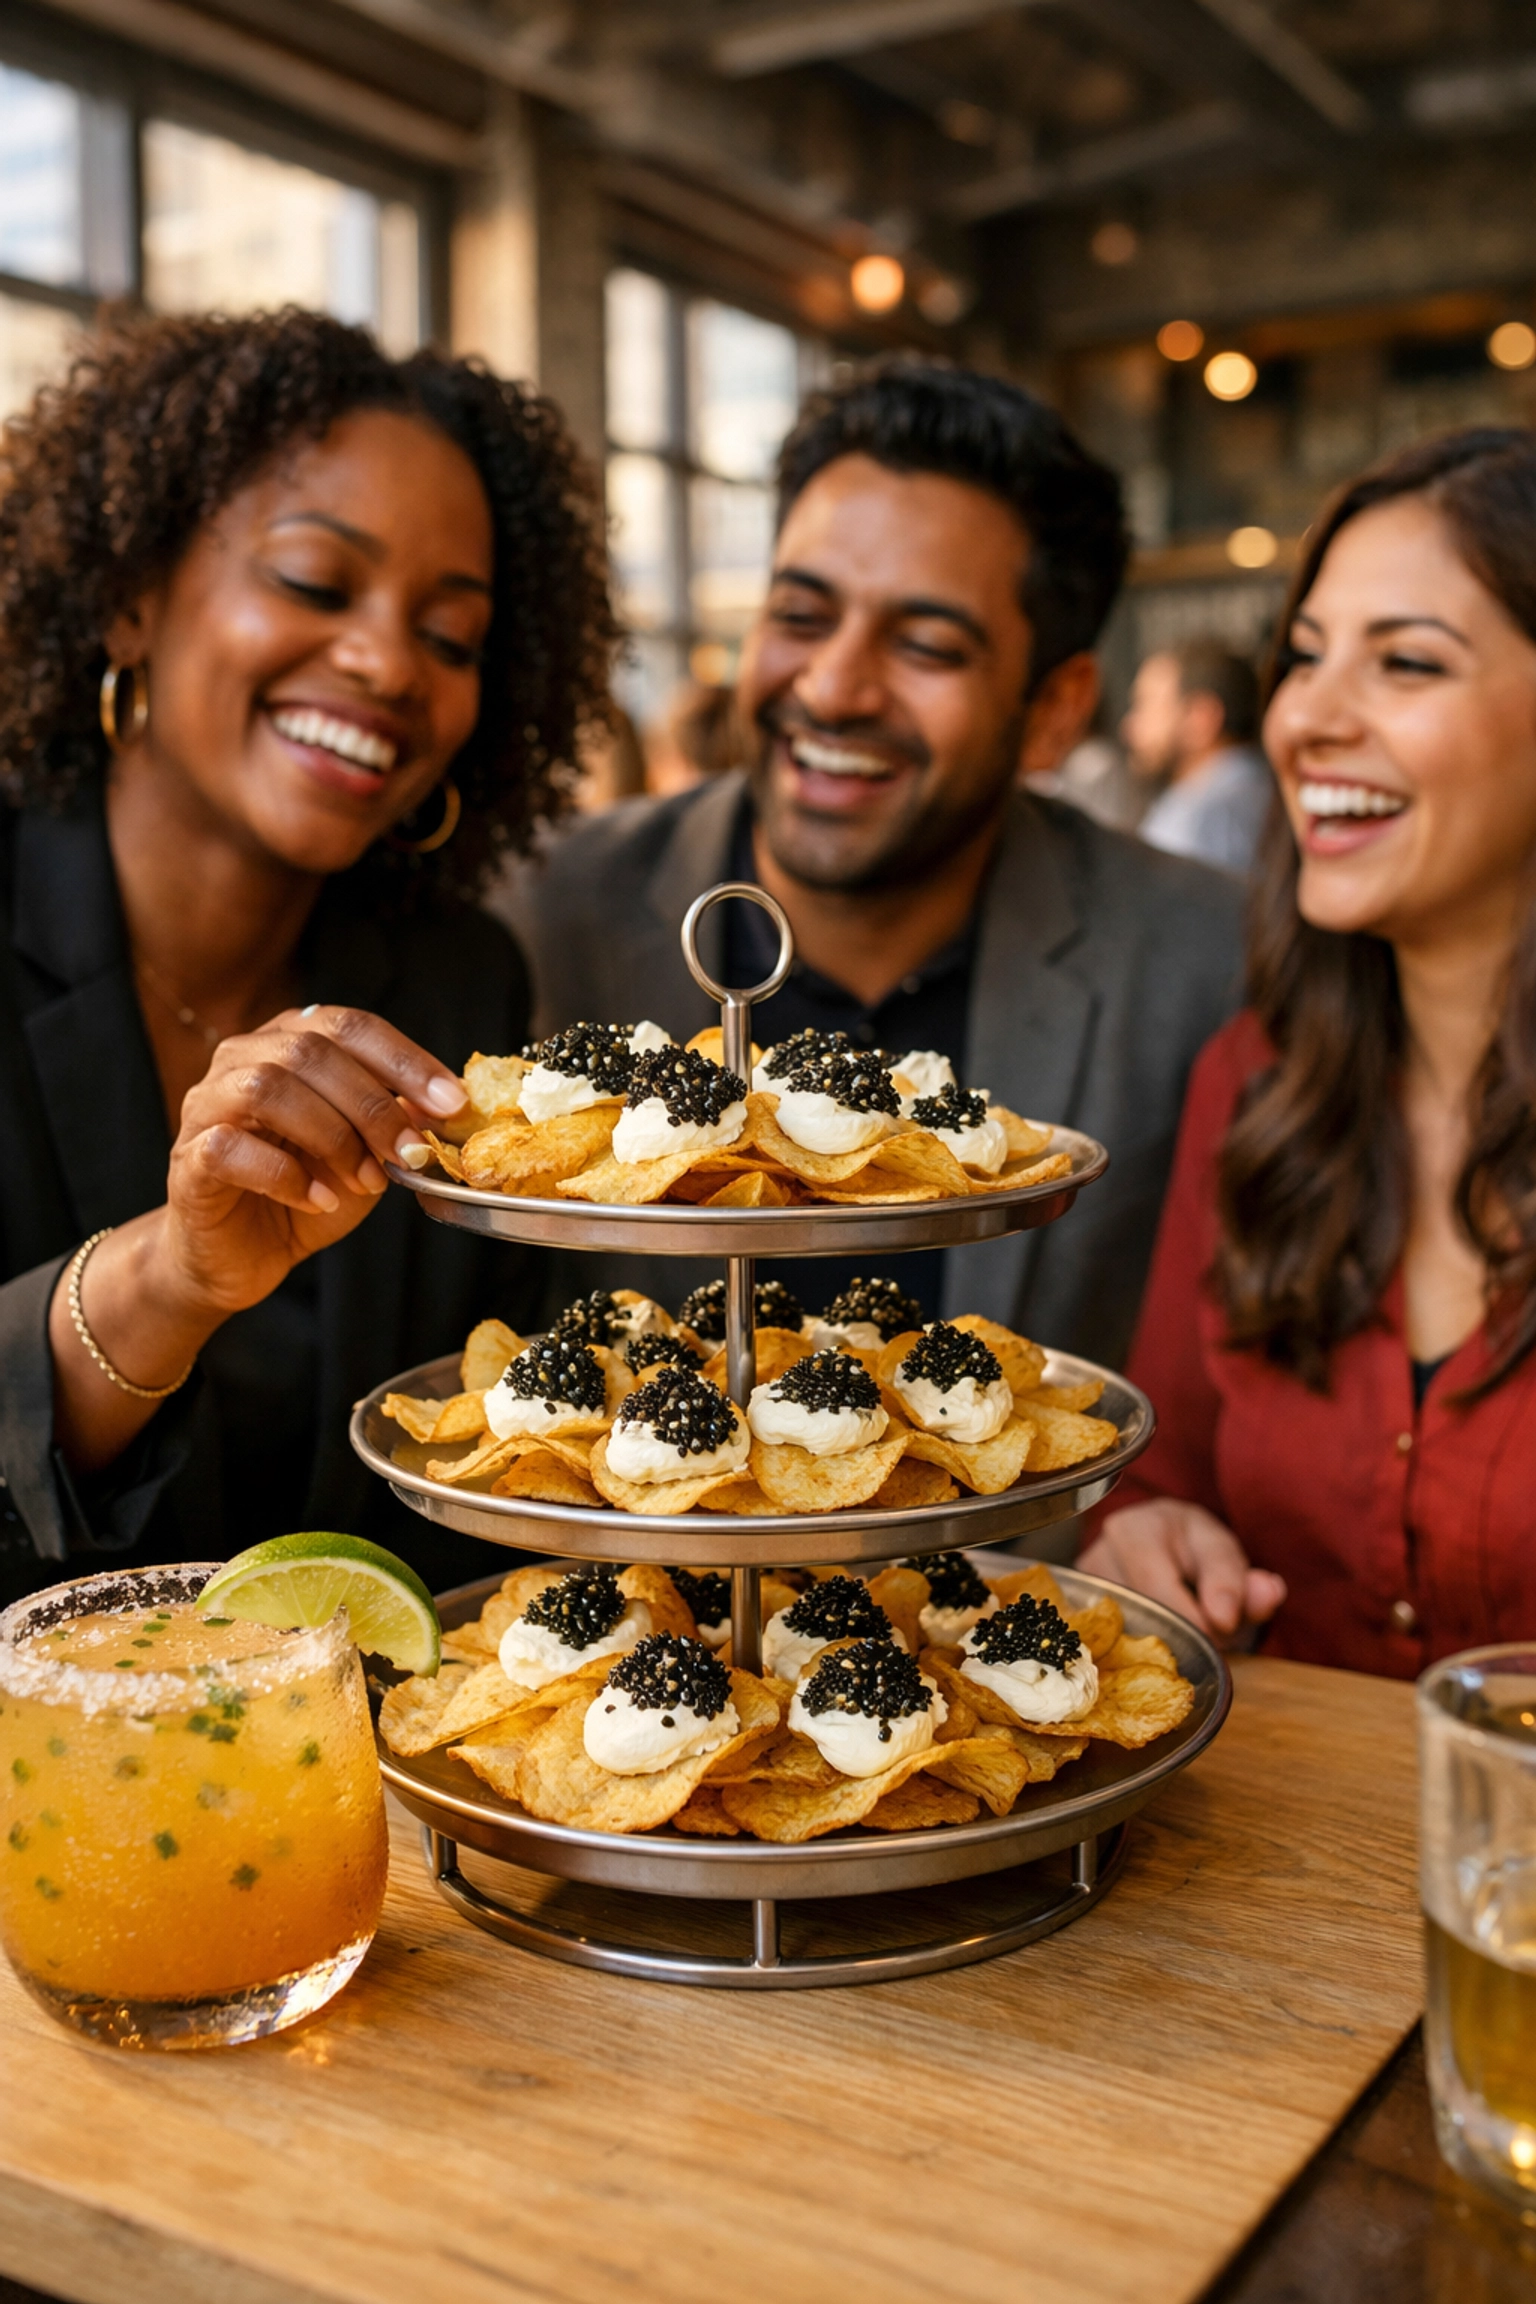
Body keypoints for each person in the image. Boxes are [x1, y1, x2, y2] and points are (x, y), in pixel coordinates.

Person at [0, 308, 613, 1602]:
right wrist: (169, 1277)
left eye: (450, 638)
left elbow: (488, 1462)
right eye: (315, 584)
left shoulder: (458, 985)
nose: (388, 661)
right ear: (128, 597)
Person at [520, 360, 1244, 1356]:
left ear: (1057, 710)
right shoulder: (544, 916)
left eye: (928, 646)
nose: (833, 686)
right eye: (801, 617)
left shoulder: (1209, 965)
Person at [1081, 428, 1536, 1673]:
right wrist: (1149, 1535)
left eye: (1406, 663)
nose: (1306, 719)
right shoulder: (1258, 1082)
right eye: (1305, 657)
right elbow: (1158, 1481)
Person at [1121, 639, 1272, 873]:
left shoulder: (1197, 817)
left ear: (1200, 719)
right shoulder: (1269, 792)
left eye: (1145, 705)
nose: (1129, 727)